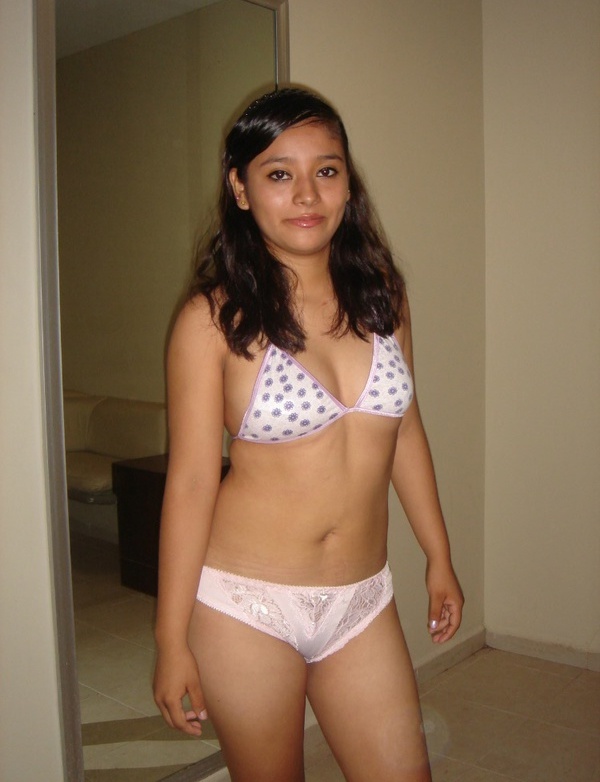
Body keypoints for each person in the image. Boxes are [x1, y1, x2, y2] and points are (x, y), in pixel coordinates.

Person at [153, 87, 463, 782]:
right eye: (278, 173)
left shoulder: (383, 295)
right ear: (240, 188)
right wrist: (171, 639)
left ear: (348, 184)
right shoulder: (211, 321)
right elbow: (193, 483)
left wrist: (438, 554)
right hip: (246, 604)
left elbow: (405, 432)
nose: (306, 194)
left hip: (362, 597)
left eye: (326, 170)